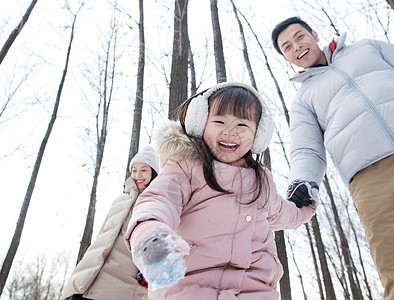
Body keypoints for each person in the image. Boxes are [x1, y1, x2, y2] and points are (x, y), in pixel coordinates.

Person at [271, 16, 394, 300]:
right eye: (287, 47)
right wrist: (302, 182)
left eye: (299, 36)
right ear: (287, 58)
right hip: (372, 175)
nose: (297, 46)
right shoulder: (304, 99)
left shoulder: (367, 48)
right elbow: (307, 149)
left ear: (314, 34)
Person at [124, 81, 317, 299]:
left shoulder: (262, 181)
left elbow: (285, 214)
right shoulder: (185, 167)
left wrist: (305, 208)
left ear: (258, 134)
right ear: (201, 124)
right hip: (189, 287)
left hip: (255, 290)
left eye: (242, 125)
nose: (230, 132)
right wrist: (151, 236)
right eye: (219, 121)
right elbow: (158, 200)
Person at [61, 146, 160, 300]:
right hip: (89, 278)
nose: (137, 175)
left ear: (153, 173)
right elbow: (102, 236)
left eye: (144, 170)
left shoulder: (156, 205)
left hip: (122, 284)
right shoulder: (120, 200)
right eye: (134, 170)